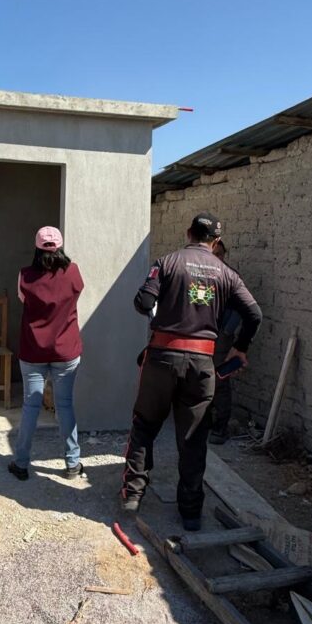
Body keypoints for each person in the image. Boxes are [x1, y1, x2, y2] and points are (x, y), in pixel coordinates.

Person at [121, 212, 262, 530]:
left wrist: (161, 312)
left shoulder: (167, 262)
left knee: (144, 426)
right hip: (202, 364)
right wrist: (241, 348)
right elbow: (254, 313)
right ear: (215, 242)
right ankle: (190, 513)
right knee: (194, 438)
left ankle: (133, 494)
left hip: (161, 358)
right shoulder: (227, 273)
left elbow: (143, 301)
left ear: (188, 233)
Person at [8, 226, 84, 481]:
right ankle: (73, 464)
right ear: (60, 246)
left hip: (33, 351)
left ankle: (20, 463)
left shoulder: (25, 276)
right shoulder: (72, 271)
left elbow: (23, 300)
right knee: (64, 405)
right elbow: (76, 293)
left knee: (31, 405)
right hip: (66, 350)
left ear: (37, 247)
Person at [210, 239, 241, 444]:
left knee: (220, 381)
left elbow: (241, 308)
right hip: (202, 335)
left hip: (221, 338)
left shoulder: (231, 277)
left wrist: (226, 333)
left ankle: (221, 427)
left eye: (220, 254)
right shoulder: (201, 275)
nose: (216, 258)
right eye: (213, 254)